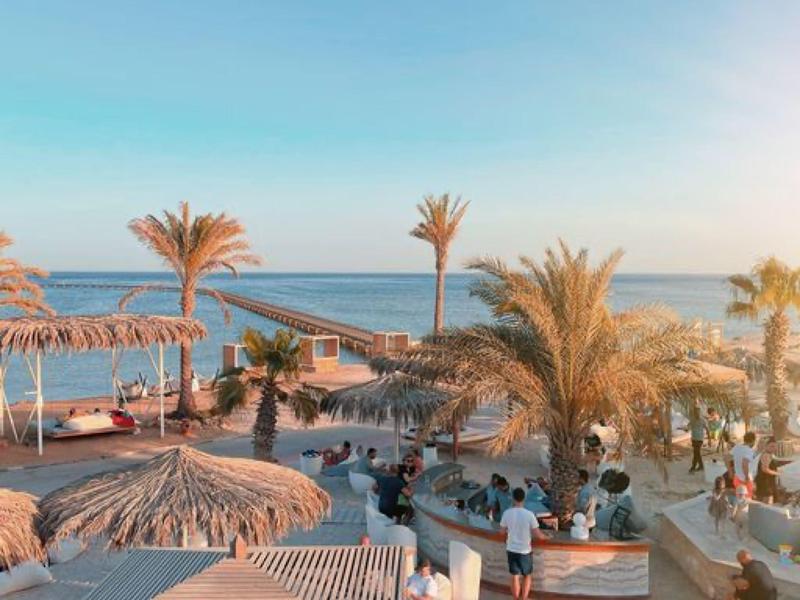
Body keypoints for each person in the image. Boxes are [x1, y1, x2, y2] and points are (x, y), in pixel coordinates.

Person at [500, 487, 550, 600]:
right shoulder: (529, 514)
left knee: (514, 576)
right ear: (524, 499)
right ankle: (524, 598)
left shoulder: (507, 513)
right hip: (525, 551)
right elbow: (538, 535)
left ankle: (516, 598)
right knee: (527, 575)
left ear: (513, 499)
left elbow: (502, 532)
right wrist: (547, 537)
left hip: (511, 549)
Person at [755, 437, 780, 504]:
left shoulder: (770, 455)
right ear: (766, 446)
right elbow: (765, 469)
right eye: (771, 446)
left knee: (766, 504)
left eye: (775, 446)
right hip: (766, 483)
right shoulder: (766, 455)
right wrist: (777, 473)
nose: (774, 448)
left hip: (768, 482)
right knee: (767, 504)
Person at [732, 432, 756, 498]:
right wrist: (747, 477)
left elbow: (726, 457)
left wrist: (730, 471)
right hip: (745, 480)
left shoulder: (736, 447)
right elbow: (745, 463)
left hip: (737, 477)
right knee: (746, 501)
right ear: (753, 441)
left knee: (739, 499)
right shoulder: (749, 451)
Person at [689, 400, 707, 473]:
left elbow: (707, 429)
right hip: (694, 438)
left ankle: (693, 466)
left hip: (699, 439)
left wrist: (709, 439)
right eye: (695, 412)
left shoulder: (702, 420)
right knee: (696, 452)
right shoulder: (692, 419)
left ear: (700, 412)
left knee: (696, 452)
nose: (696, 413)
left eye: (698, 412)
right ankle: (701, 466)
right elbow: (689, 426)